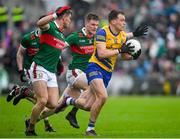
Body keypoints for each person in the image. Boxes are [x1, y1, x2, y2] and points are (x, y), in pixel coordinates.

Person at [56, 10, 148, 136]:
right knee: (103, 96)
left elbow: (125, 54)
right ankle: (90, 129)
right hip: (95, 67)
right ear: (113, 21)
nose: (124, 22)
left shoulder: (122, 35)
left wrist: (133, 55)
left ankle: (68, 101)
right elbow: (102, 53)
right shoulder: (102, 32)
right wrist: (120, 49)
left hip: (107, 73)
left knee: (88, 106)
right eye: (121, 20)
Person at [36, 13, 99, 129]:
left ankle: (32, 120)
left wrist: (133, 35)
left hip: (84, 75)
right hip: (75, 72)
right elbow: (58, 47)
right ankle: (72, 114)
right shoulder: (75, 36)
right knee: (94, 87)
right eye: (92, 24)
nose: (95, 27)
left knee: (58, 107)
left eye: (97, 25)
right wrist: (58, 60)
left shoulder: (97, 38)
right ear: (86, 24)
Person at [25, 6, 72, 136]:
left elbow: (55, 52)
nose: (70, 21)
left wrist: (60, 64)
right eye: (69, 18)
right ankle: (30, 128)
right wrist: (55, 14)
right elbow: (39, 23)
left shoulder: (62, 35)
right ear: (64, 17)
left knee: (53, 104)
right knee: (42, 100)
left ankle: (26, 92)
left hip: (51, 72)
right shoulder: (50, 26)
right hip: (39, 67)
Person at [6, 27, 61, 132]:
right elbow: (19, 53)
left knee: (43, 100)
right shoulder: (28, 38)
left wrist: (58, 65)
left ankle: (22, 91)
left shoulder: (50, 38)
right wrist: (20, 69)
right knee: (42, 100)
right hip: (30, 69)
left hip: (44, 70)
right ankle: (45, 124)